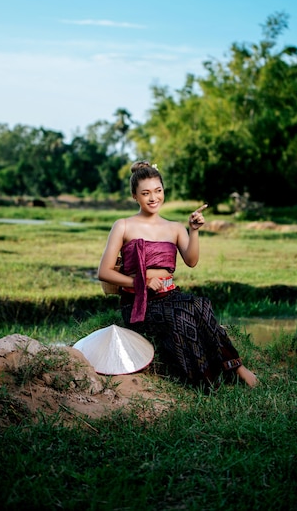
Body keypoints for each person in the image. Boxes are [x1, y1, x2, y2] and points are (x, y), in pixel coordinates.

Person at [97, 161, 258, 389]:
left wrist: (193, 230)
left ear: (163, 190)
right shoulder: (123, 226)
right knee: (181, 315)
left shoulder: (174, 228)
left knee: (200, 305)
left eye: (158, 191)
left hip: (170, 295)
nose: (153, 198)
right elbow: (103, 272)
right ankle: (206, 380)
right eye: (146, 193)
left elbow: (191, 261)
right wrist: (140, 281)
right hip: (139, 302)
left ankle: (236, 367)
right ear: (135, 196)